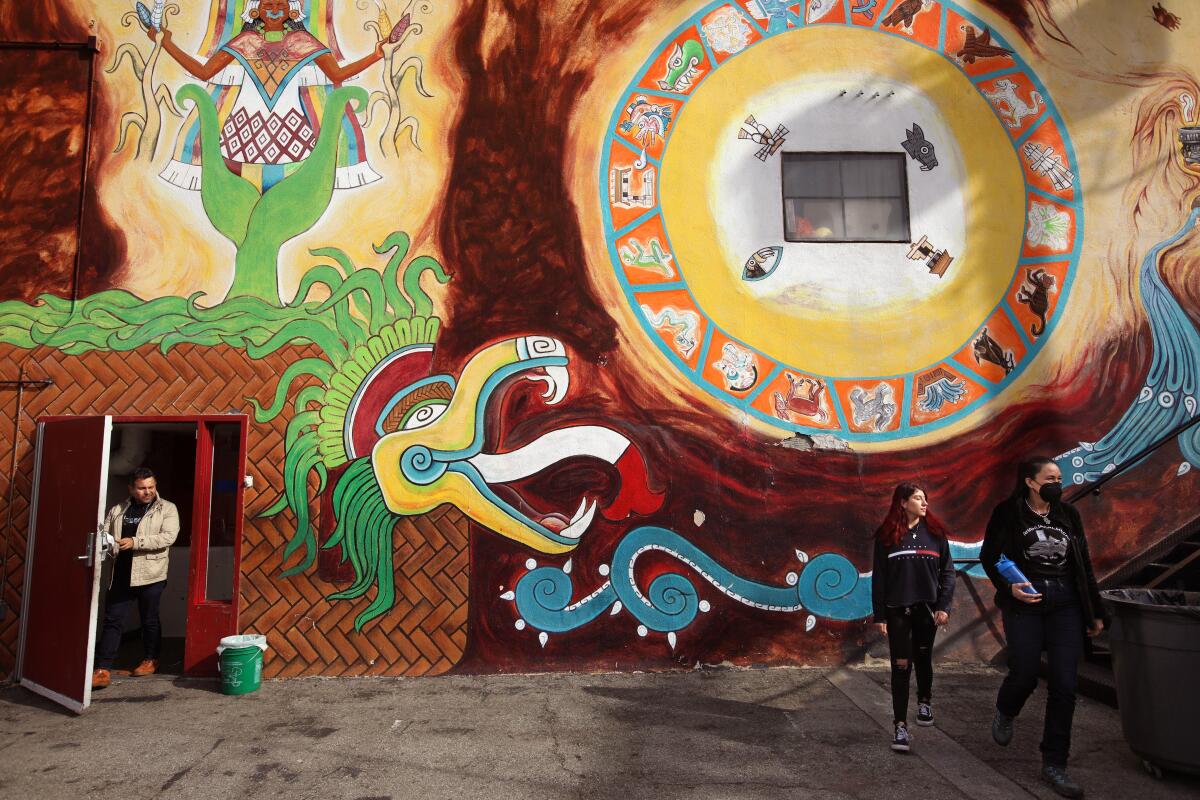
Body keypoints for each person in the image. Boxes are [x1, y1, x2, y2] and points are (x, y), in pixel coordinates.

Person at [981, 457, 1105, 799]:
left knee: (1065, 686)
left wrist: (1095, 611)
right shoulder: (1008, 513)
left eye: (1059, 478)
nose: (1057, 483)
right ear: (1030, 482)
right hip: (1026, 602)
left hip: (1066, 604)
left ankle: (1055, 764)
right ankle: (1006, 710)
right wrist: (1009, 589)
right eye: (1050, 478)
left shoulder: (1069, 515)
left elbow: (1084, 564)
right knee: (1024, 672)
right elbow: (989, 556)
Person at [871, 483, 956, 753]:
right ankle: (900, 727)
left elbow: (948, 573)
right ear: (903, 503)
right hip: (898, 613)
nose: (924, 503)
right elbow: (880, 578)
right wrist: (880, 615)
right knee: (900, 667)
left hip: (927, 612)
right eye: (918, 498)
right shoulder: (886, 538)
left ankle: (925, 700)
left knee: (923, 658)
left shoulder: (936, 535)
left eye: (925, 499)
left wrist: (944, 606)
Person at [91, 468, 181, 689]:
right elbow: (104, 532)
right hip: (121, 573)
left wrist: (135, 542)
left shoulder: (166, 509)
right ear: (131, 488)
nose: (147, 491)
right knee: (113, 620)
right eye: (142, 488)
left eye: (151, 487)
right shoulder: (119, 510)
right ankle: (102, 668)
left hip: (151, 574)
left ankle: (151, 659)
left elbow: (168, 536)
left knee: (149, 619)